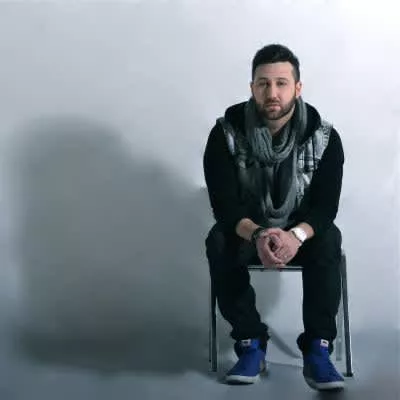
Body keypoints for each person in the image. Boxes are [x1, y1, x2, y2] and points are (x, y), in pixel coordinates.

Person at [203, 44, 345, 391]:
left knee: (329, 238)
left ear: (298, 87)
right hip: (249, 231)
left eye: (282, 83)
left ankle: (317, 347)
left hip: (301, 233)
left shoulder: (325, 138)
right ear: (252, 87)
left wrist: (294, 236)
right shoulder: (226, 133)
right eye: (263, 83)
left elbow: (325, 208)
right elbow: (225, 206)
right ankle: (250, 342)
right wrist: (258, 235)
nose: (272, 93)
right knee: (218, 239)